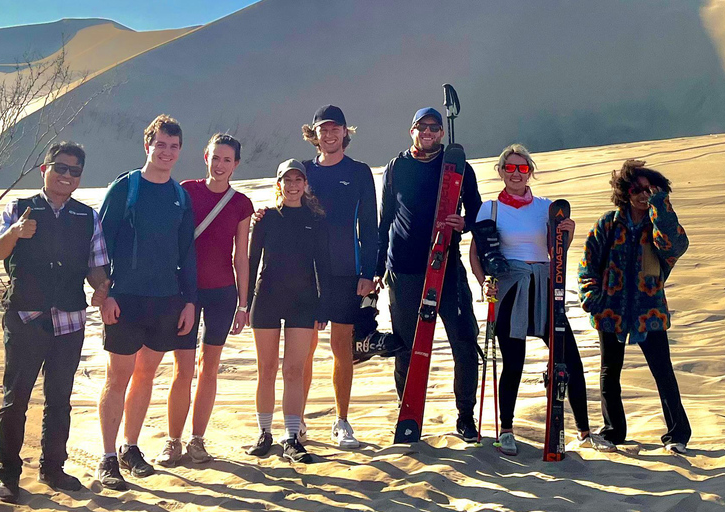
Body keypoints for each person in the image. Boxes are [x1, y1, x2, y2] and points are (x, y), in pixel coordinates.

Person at [468, 143, 615, 456]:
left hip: (548, 286)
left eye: (522, 168)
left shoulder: (547, 207)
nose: (516, 174)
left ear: (530, 171)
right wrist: (484, 285)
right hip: (511, 289)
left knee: (568, 358)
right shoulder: (489, 208)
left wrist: (568, 235)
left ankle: (584, 431)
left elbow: (555, 250)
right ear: (500, 171)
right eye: (510, 168)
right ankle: (506, 430)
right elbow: (476, 252)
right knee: (513, 363)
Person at [0, 142, 110, 503]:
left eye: (75, 171)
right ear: (45, 169)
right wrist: (15, 233)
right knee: (16, 399)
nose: (67, 176)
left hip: (70, 320)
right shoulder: (19, 208)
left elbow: (95, 264)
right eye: (60, 168)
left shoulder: (87, 216)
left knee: (60, 399)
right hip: (26, 316)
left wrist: (102, 286)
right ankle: (9, 474)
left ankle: (53, 468)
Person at [254, 105, 377, 447]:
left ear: (344, 132)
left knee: (342, 347)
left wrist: (369, 271)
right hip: (307, 274)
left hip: (347, 270)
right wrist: (261, 213)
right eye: (323, 129)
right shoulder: (303, 171)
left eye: (335, 128)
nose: (330, 134)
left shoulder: (359, 172)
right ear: (314, 134)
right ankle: (299, 421)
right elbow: (285, 205)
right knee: (302, 350)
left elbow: (369, 225)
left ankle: (342, 420)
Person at [96, 115, 197, 490]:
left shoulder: (179, 195)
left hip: (166, 300)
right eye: (161, 145)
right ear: (147, 146)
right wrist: (105, 293)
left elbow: (187, 253)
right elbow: (100, 244)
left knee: (145, 374)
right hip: (126, 299)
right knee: (118, 376)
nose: (167, 152)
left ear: (180, 150)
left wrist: (189, 301)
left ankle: (130, 447)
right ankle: (107, 457)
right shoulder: (125, 188)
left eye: (174, 147)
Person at [376, 107, 481, 442]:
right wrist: (377, 272)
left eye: (435, 128)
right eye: (423, 127)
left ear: (442, 133)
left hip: (446, 266)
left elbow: (477, 214)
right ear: (412, 131)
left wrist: (464, 224)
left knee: (464, 342)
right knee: (406, 347)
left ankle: (466, 418)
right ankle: (408, 414)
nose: (429, 132)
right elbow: (384, 222)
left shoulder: (458, 167)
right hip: (404, 269)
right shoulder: (396, 167)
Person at [578, 159, 691, 454]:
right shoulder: (608, 224)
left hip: (648, 310)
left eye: (650, 189)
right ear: (624, 191)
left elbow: (675, 246)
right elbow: (587, 263)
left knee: (662, 370)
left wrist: (661, 207)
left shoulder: (659, 224)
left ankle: (678, 434)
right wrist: (591, 296)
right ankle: (614, 431)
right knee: (609, 371)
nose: (643, 194)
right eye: (636, 189)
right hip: (610, 309)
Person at [157, 133, 254, 465]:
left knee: (208, 368)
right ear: (205, 157)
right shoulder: (187, 191)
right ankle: (172, 441)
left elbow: (242, 257)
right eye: (216, 158)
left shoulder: (241, 203)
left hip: (223, 294)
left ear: (236, 164)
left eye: (227, 160)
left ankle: (197, 440)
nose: (221, 165)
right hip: (186, 293)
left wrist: (244, 304)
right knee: (182, 369)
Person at [246, 159, 330, 463]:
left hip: (303, 303)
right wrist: (244, 304)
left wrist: (323, 305)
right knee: (266, 369)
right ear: (279, 183)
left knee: (294, 370)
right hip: (266, 299)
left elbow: (323, 265)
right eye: (287, 180)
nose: (293, 186)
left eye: (298, 180)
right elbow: (251, 261)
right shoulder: (265, 218)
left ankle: (292, 437)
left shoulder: (315, 219)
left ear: (305, 184)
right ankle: (264, 433)